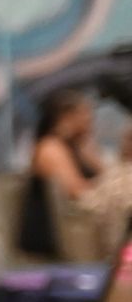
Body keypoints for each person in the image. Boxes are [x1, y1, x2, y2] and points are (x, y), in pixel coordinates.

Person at [18, 89, 103, 257]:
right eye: (85, 114)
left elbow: (105, 174)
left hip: (79, 224)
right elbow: (77, 191)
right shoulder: (50, 148)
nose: (90, 120)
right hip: (56, 233)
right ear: (66, 117)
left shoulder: (79, 147)